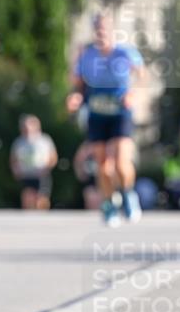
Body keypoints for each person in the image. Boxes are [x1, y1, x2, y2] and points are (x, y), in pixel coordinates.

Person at [67, 12, 144, 226]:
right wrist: (75, 97)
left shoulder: (125, 52)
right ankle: (109, 204)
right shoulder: (86, 55)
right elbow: (78, 85)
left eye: (105, 28)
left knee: (120, 162)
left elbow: (142, 75)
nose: (101, 32)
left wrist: (133, 92)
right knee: (102, 166)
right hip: (97, 113)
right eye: (98, 28)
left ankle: (128, 193)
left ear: (112, 29)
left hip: (121, 112)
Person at [10, 114, 58, 210]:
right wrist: (15, 170)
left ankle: (42, 221)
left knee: (42, 199)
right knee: (27, 198)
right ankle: (28, 221)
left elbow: (53, 157)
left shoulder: (44, 140)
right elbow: (13, 159)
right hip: (26, 174)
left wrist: (46, 169)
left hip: (41, 175)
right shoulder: (19, 142)